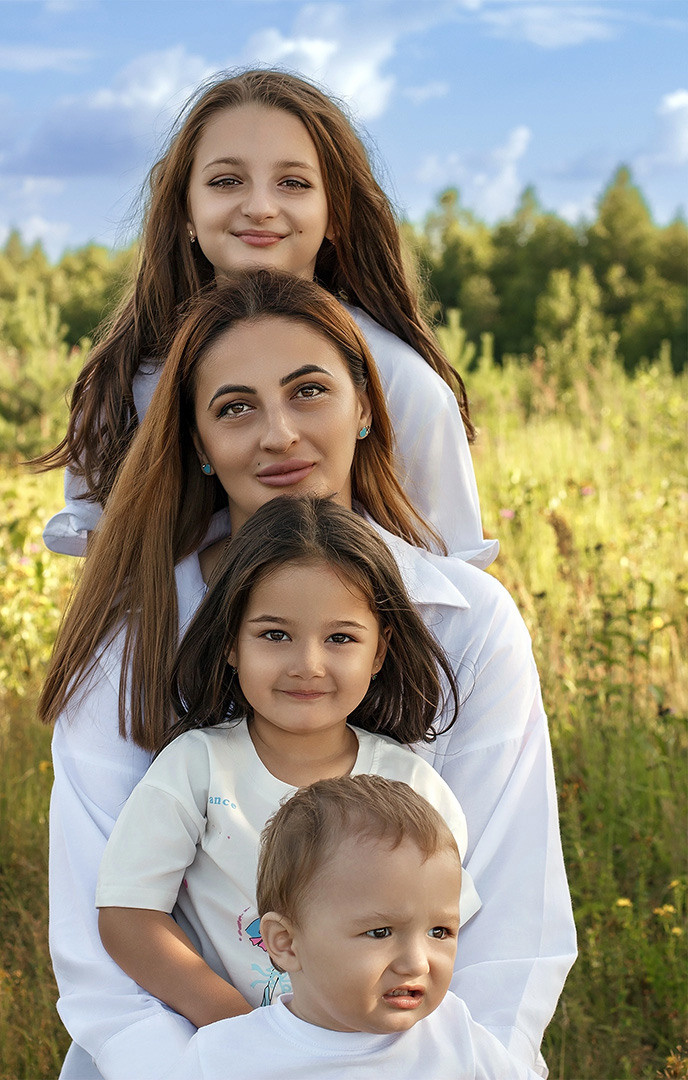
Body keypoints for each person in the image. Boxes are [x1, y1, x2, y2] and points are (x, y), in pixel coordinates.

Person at [43, 271, 576, 1080]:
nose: (280, 434)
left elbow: (504, 935)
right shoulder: (134, 634)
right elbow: (104, 945)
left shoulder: (468, 621)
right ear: (195, 438)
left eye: (310, 391)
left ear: (364, 405)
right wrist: (253, 1055)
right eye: (235, 407)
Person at [35, 67, 495, 567]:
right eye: (226, 181)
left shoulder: (403, 384)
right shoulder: (126, 385)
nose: (259, 207)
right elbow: (109, 591)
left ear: (335, 212)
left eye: (293, 182)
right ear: (186, 209)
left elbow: (451, 598)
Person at [95, 495, 480, 1024]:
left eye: (341, 638)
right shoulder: (197, 768)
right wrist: (238, 1028)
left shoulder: (411, 785)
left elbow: (447, 931)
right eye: (275, 635)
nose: (308, 665)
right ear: (231, 641)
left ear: (380, 651)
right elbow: (127, 914)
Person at [166, 775, 543, 1079]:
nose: (417, 963)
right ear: (287, 944)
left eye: (439, 932)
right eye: (381, 932)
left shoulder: (454, 1035)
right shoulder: (223, 1058)